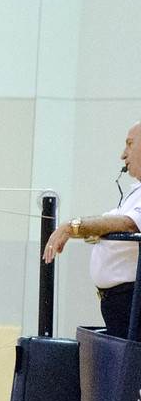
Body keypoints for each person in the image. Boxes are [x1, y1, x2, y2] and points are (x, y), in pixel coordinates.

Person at [43, 120, 141, 338]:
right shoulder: (134, 192)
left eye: (130, 144)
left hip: (131, 302)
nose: (123, 155)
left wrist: (72, 227)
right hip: (118, 303)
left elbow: (129, 223)